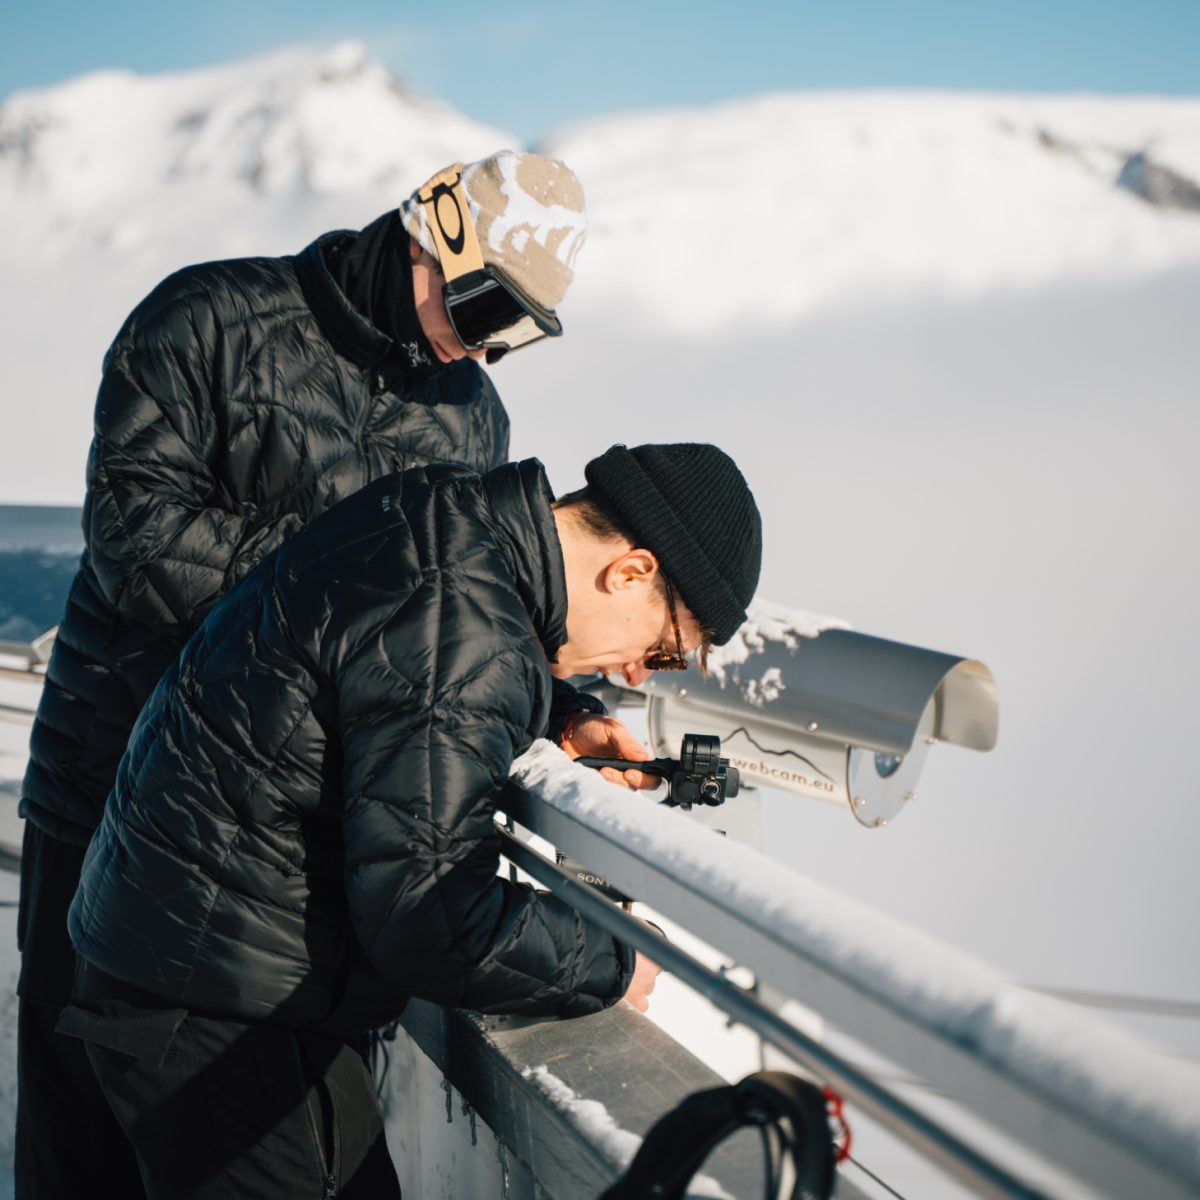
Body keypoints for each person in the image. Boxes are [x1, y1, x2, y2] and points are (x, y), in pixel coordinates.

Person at [15, 150, 646, 1198]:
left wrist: (563, 707)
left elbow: (462, 619)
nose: (487, 344)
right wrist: (341, 585)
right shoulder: (206, 318)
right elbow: (137, 542)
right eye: (487, 302)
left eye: (519, 330)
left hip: (280, 846)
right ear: (426, 232)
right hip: (103, 779)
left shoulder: (469, 417)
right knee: (76, 1142)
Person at [57, 442, 762, 1199]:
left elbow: (402, 664)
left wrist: (560, 716)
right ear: (631, 572)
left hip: (186, 950)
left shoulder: (442, 512)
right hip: (213, 1001)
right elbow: (430, 919)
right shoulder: (468, 634)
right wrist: (613, 959)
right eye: (662, 652)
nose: (633, 673)